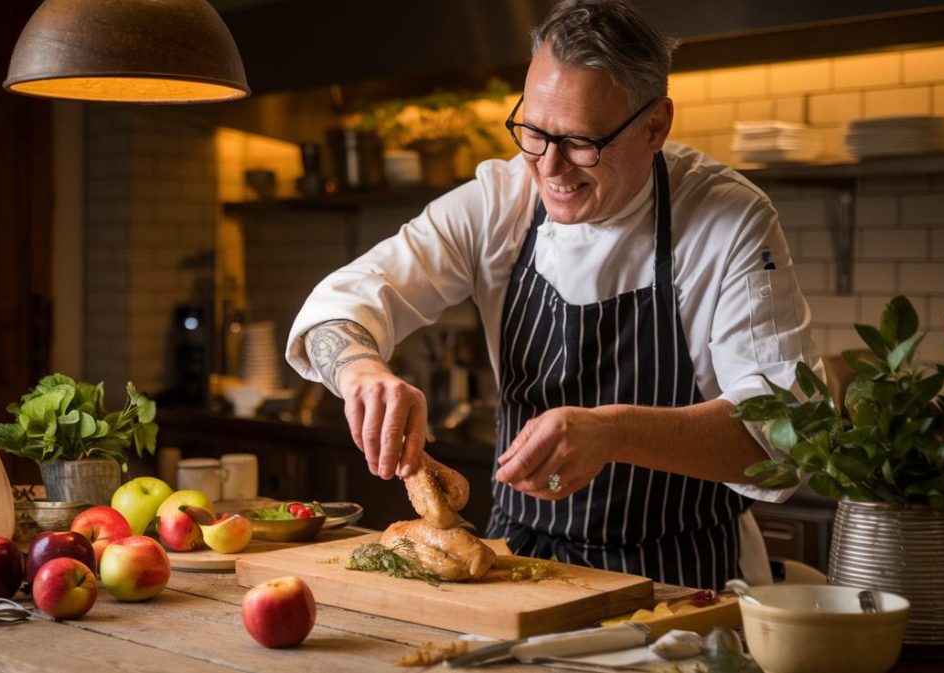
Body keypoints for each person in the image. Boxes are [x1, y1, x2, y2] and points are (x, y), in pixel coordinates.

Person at [286, 0, 819, 589]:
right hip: (522, 568)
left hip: (685, 574)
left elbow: (783, 439)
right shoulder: (500, 201)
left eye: (581, 142)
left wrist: (613, 431)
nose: (550, 168)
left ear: (655, 126)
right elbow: (342, 304)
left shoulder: (728, 219)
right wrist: (361, 371)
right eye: (534, 133)